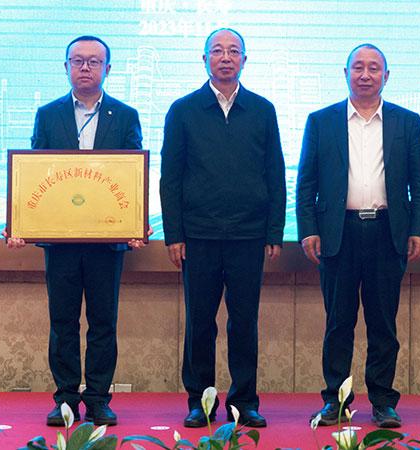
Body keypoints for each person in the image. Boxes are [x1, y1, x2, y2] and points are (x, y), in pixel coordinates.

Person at [5, 35, 147, 427]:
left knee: (103, 323)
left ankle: (98, 399)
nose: (85, 67)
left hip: (106, 241)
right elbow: (34, 173)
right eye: (77, 60)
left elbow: (132, 173)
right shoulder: (48, 114)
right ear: (66, 66)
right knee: (63, 322)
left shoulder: (126, 115)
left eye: (94, 61)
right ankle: (66, 399)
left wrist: (135, 223)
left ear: (108, 69)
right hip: (61, 240)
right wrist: (21, 224)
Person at [296, 44, 420, 428]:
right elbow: (306, 183)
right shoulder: (321, 121)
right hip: (338, 233)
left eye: (374, 68)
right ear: (346, 74)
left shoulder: (407, 122)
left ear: (386, 76)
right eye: (358, 67)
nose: (366, 74)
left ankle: (383, 402)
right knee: (338, 324)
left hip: (388, 233)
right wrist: (308, 229)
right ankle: (335, 401)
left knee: (383, 325)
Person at [159, 28, 286, 429]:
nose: (226, 57)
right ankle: (200, 401)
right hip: (198, 236)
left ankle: (244, 402)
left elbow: (275, 172)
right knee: (200, 322)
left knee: (244, 322)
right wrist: (174, 234)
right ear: (205, 59)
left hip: (249, 235)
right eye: (217, 51)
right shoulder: (183, 110)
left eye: (234, 51)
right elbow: (170, 177)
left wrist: (274, 231)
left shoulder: (262, 110)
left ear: (245, 60)